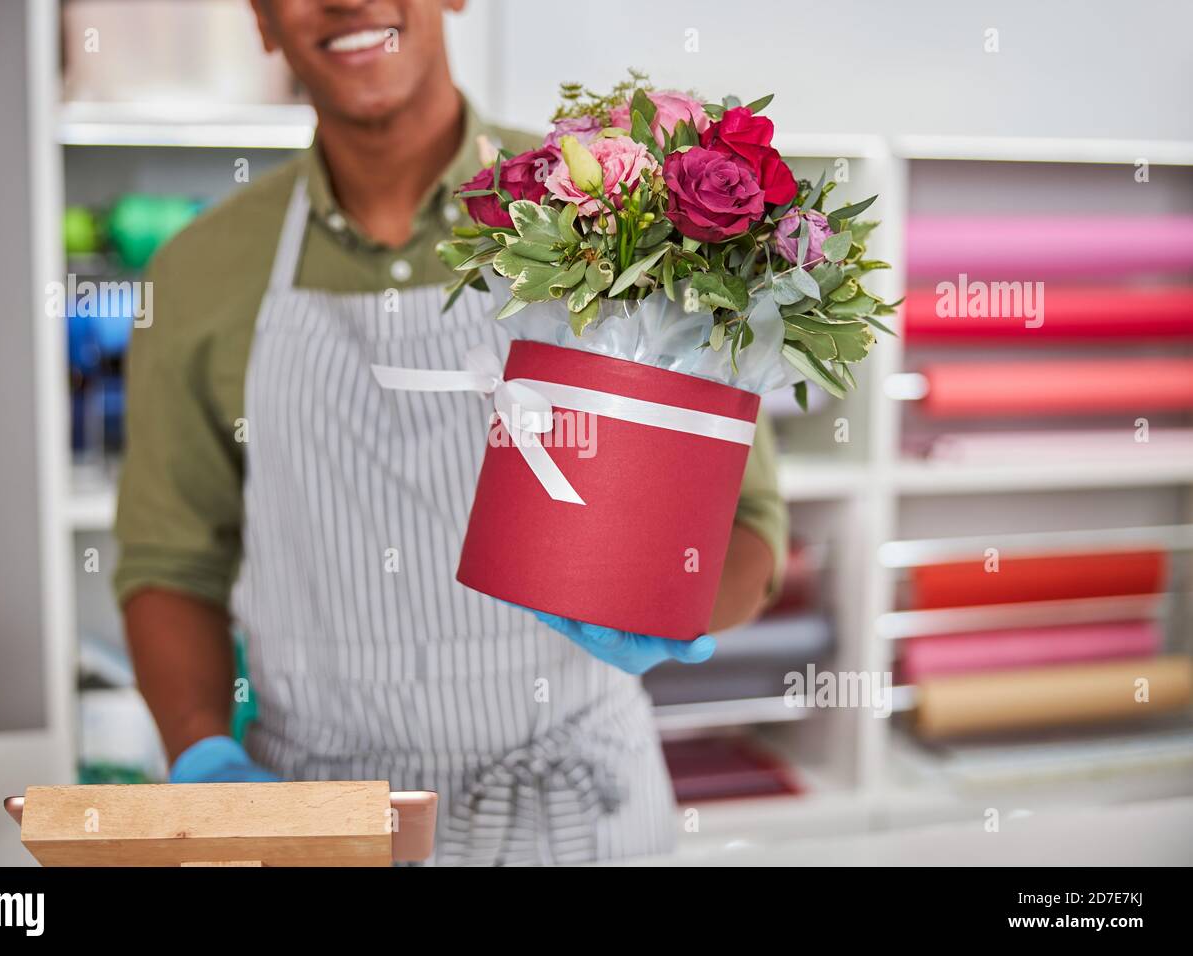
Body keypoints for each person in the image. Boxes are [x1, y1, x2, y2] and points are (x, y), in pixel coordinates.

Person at [114, 0, 787, 865]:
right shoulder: (202, 273)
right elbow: (171, 563)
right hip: (325, 824)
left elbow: (750, 529)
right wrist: (205, 758)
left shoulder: (619, 217)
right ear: (261, 20)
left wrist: (679, 602)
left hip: (583, 811)